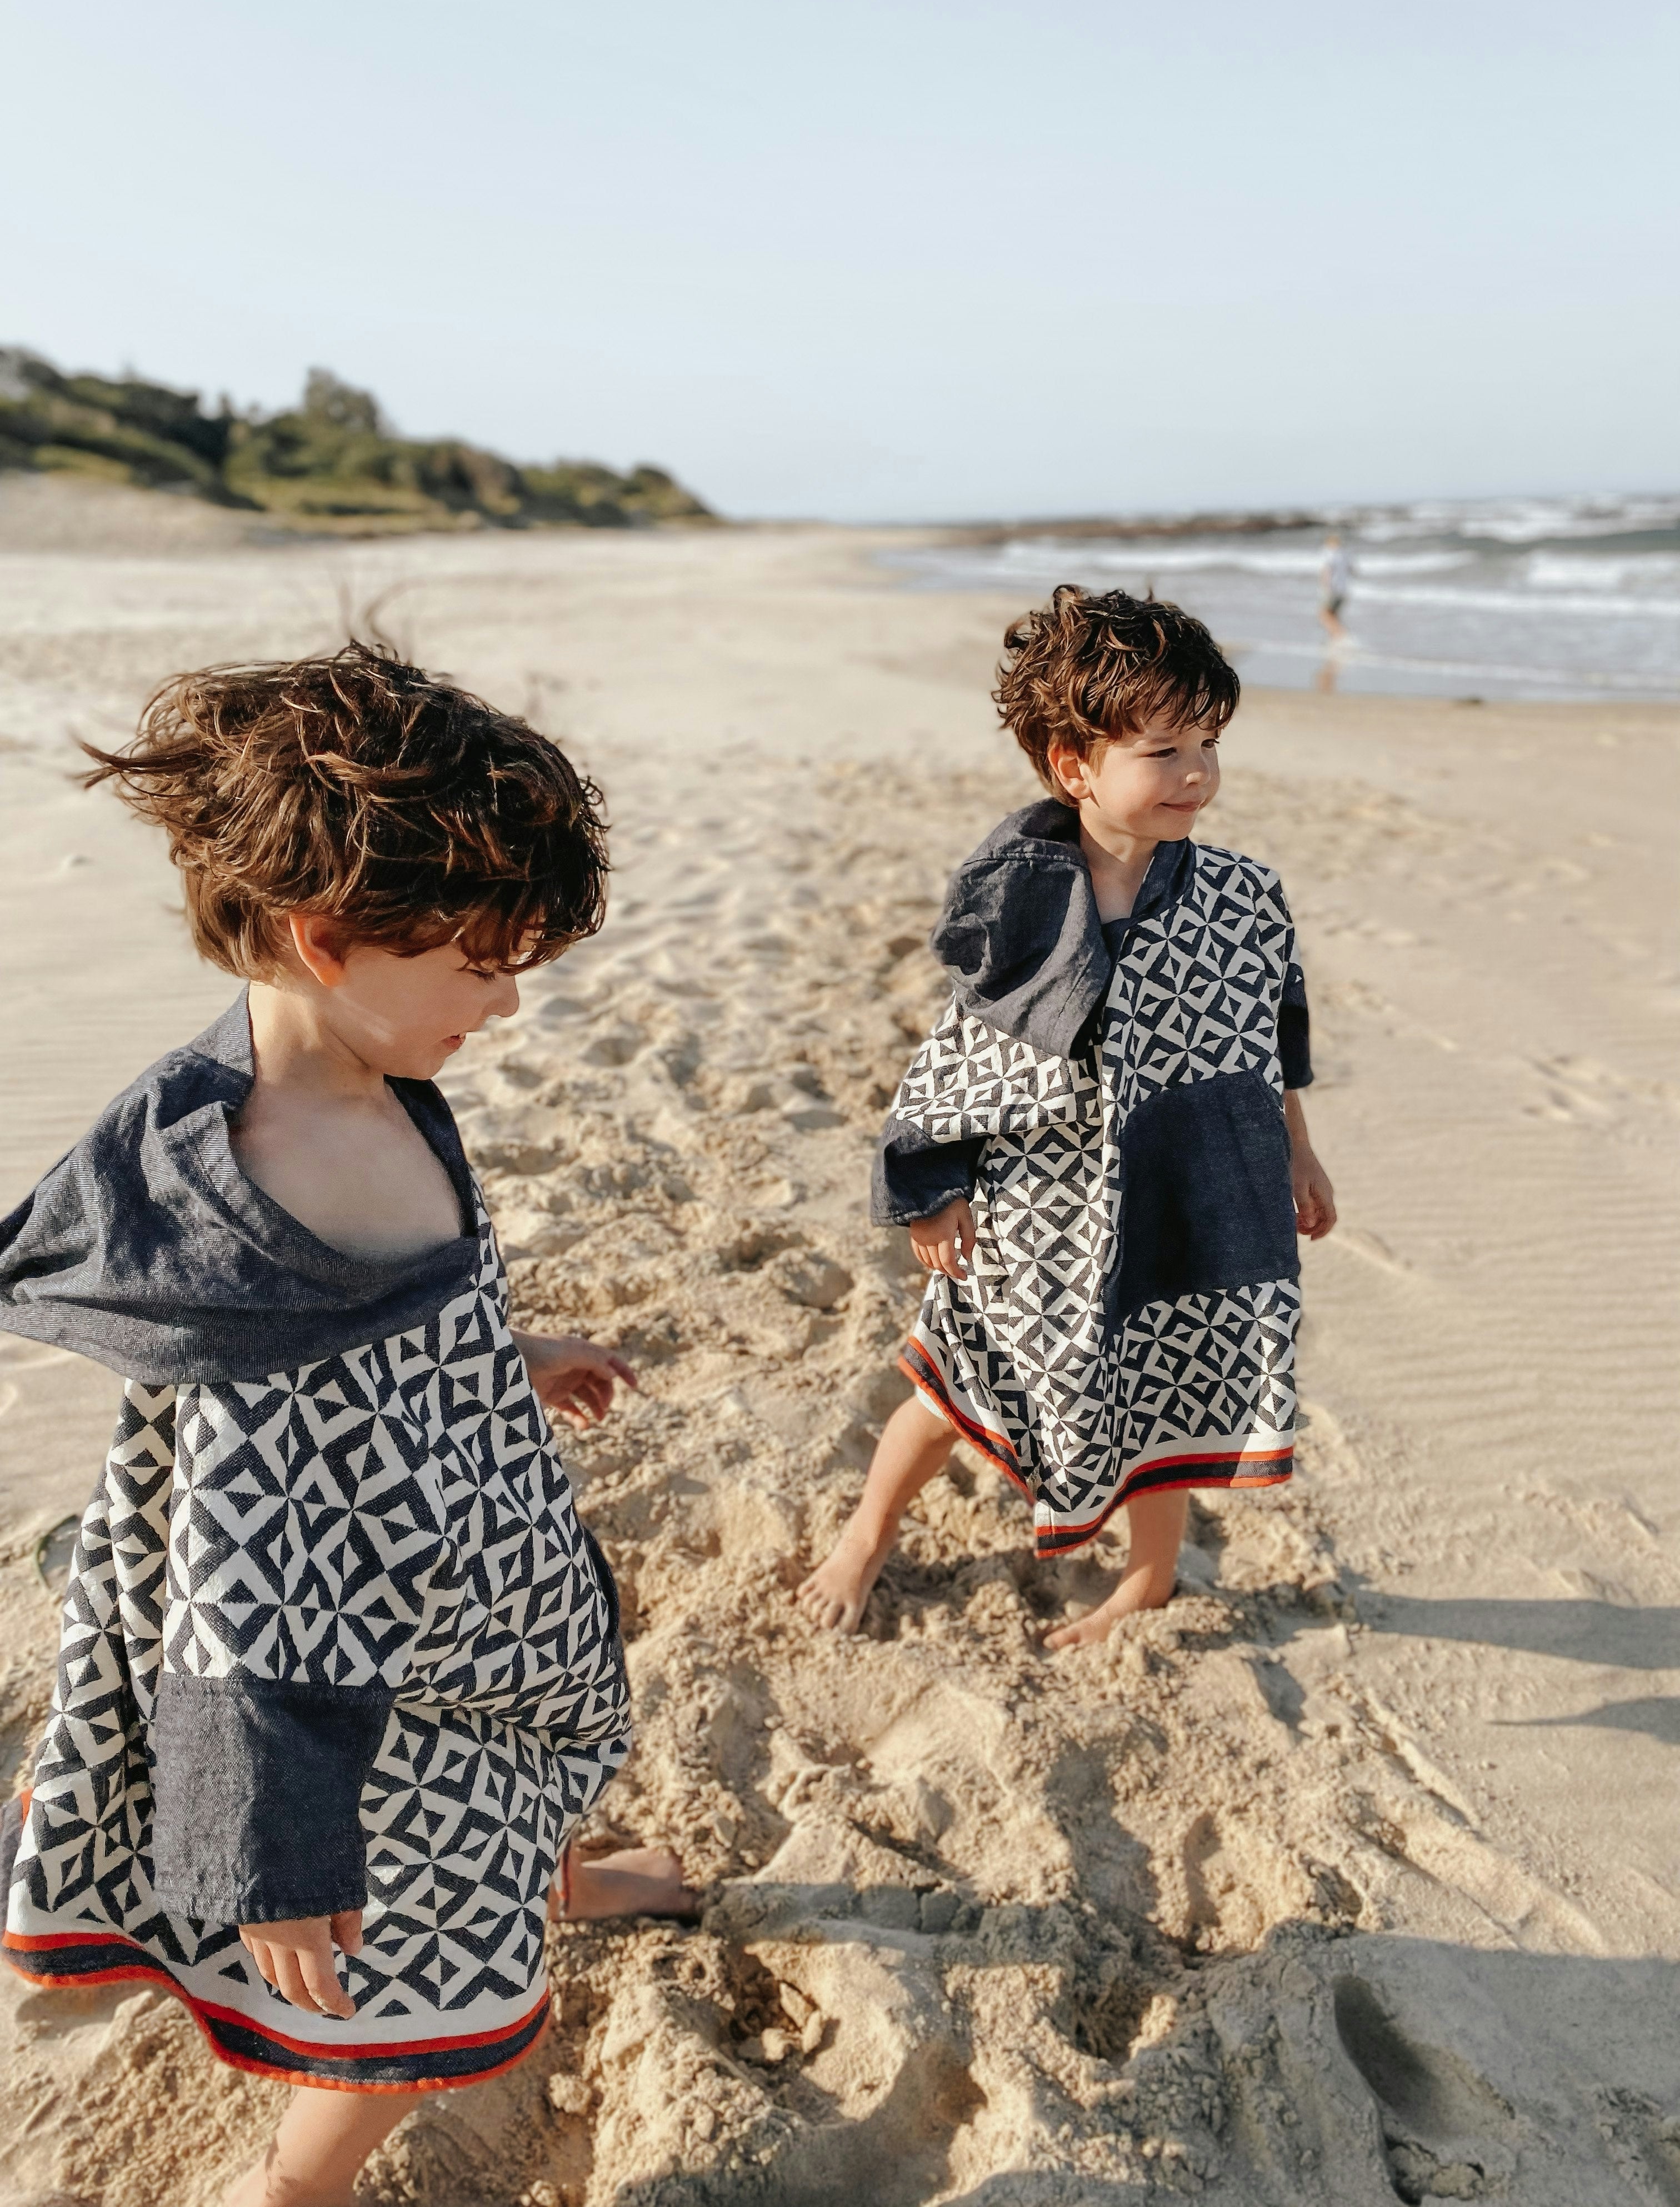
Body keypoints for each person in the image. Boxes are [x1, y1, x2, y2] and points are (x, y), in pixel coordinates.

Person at [0, 647, 693, 2207]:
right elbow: (249, 1591)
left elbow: (393, 1330)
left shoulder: (351, 1078)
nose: (507, 1002)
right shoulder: (278, 1207)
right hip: (369, 1690)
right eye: (482, 965)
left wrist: (506, 1353)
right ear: (326, 938)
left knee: (536, 1745)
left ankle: (553, 1875)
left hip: (467, 1582)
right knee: (422, 1996)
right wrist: (275, 1857)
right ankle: (293, 2189)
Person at [799, 587, 1336, 1649]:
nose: (1195, 772)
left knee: (1159, 1384)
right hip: (1040, 1196)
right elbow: (960, 1052)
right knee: (958, 1377)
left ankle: (1147, 1577)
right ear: (1072, 766)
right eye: (1161, 750)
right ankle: (866, 1533)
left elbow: (1272, 1031)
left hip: (1188, 1180)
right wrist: (930, 1182)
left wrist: (1298, 1152)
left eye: (1208, 743)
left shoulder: (1241, 897)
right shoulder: (1023, 905)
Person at [1319, 531, 1352, 642]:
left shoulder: (1330, 554)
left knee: (1324, 615)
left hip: (1333, 589)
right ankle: (1334, 639)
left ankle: (1341, 636)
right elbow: (1352, 570)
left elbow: (1327, 571)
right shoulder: (1345, 555)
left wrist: (1326, 587)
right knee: (1334, 615)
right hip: (1344, 590)